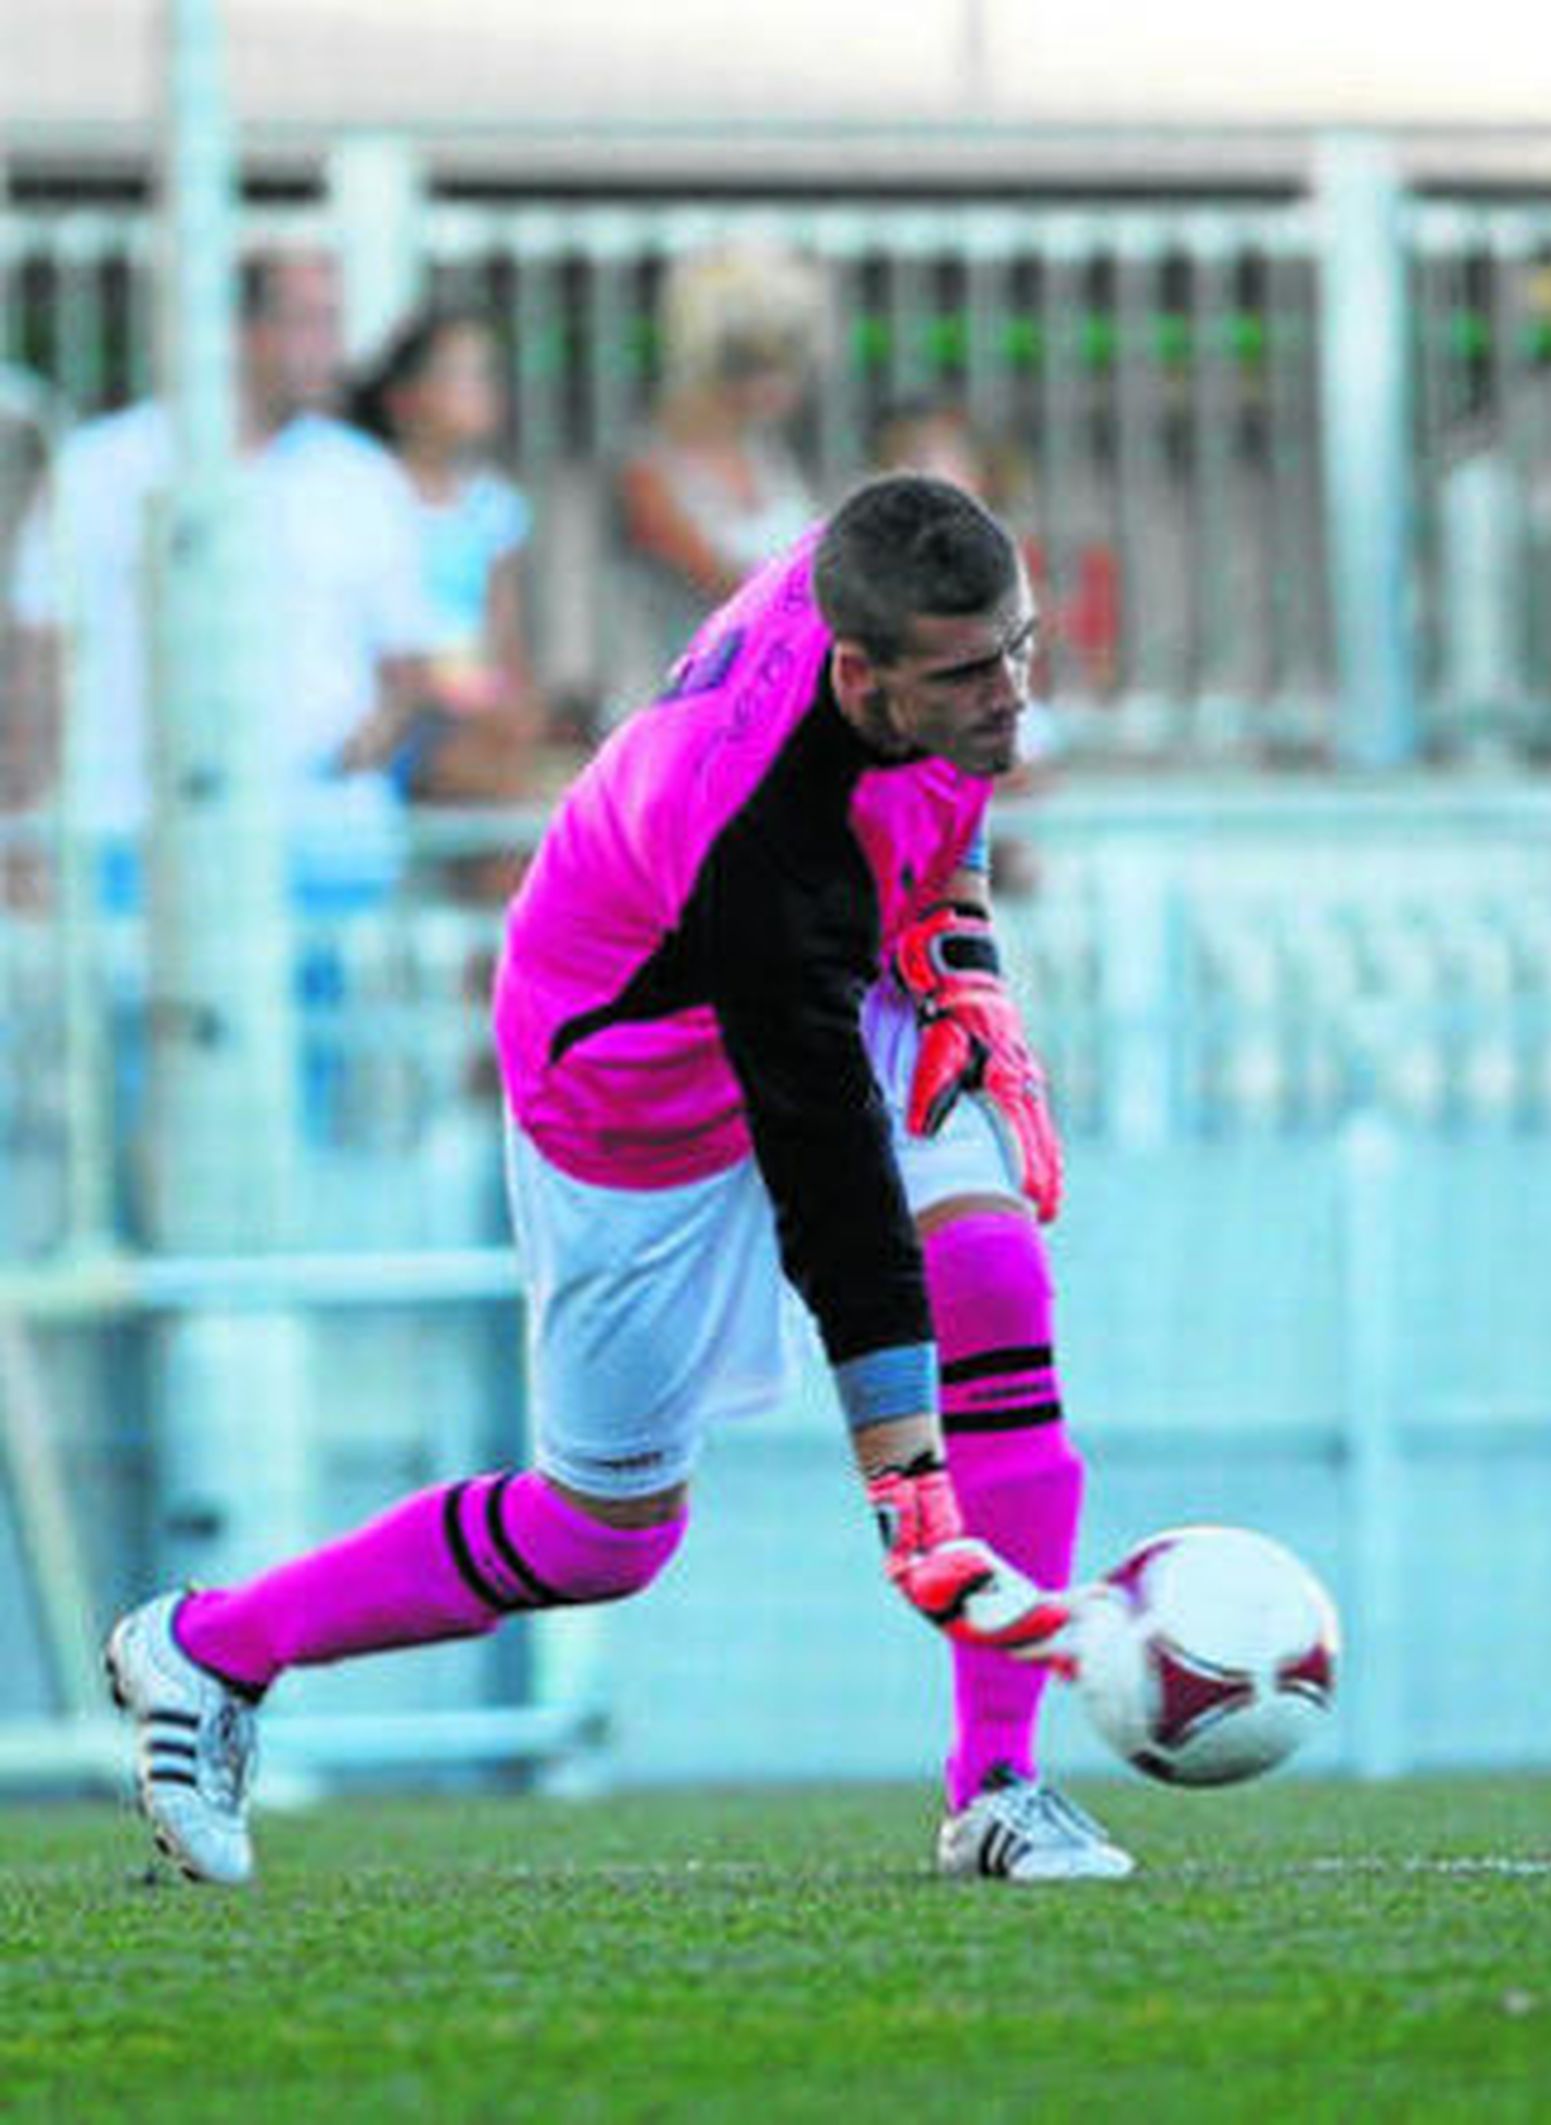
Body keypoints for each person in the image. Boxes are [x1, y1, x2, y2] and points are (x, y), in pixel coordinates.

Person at [104, 474, 1134, 1889]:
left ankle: (1001, 1786)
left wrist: (960, 947)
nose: (1013, 691)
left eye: (1019, 647)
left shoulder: (903, 602)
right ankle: (207, 1649)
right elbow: (833, 1187)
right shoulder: (756, 831)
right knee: (599, 1537)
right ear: (859, 674)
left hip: (814, 990)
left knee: (993, 1273)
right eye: (972, 672)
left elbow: (936, 813)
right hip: (627, 1091)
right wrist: (912, 1497)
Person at [4, 250, 438, 909]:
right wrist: (24, 820)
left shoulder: (363, 478)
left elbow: (406, 670)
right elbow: (40, 657)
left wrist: (348, 760)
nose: (332, 349)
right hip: (131, 840)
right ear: (241, 331)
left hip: (318, 852)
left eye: (333, 323)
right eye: (310, 324)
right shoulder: (102, 466)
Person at [346, 307, 547, 826]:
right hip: (394, 707)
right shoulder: (365, 493)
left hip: (467, 706)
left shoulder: (493, 507)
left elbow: (504, 641)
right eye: (463, 374)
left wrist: (509, 705)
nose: (483, 388)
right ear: (405, 398)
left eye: (488, 373)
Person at [609, 241, 825, 714]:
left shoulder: (772, 461)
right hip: (675, 715)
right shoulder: (647, 473)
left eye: (785, 362)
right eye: (752, 364)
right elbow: (738, 592)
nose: (779, 384)